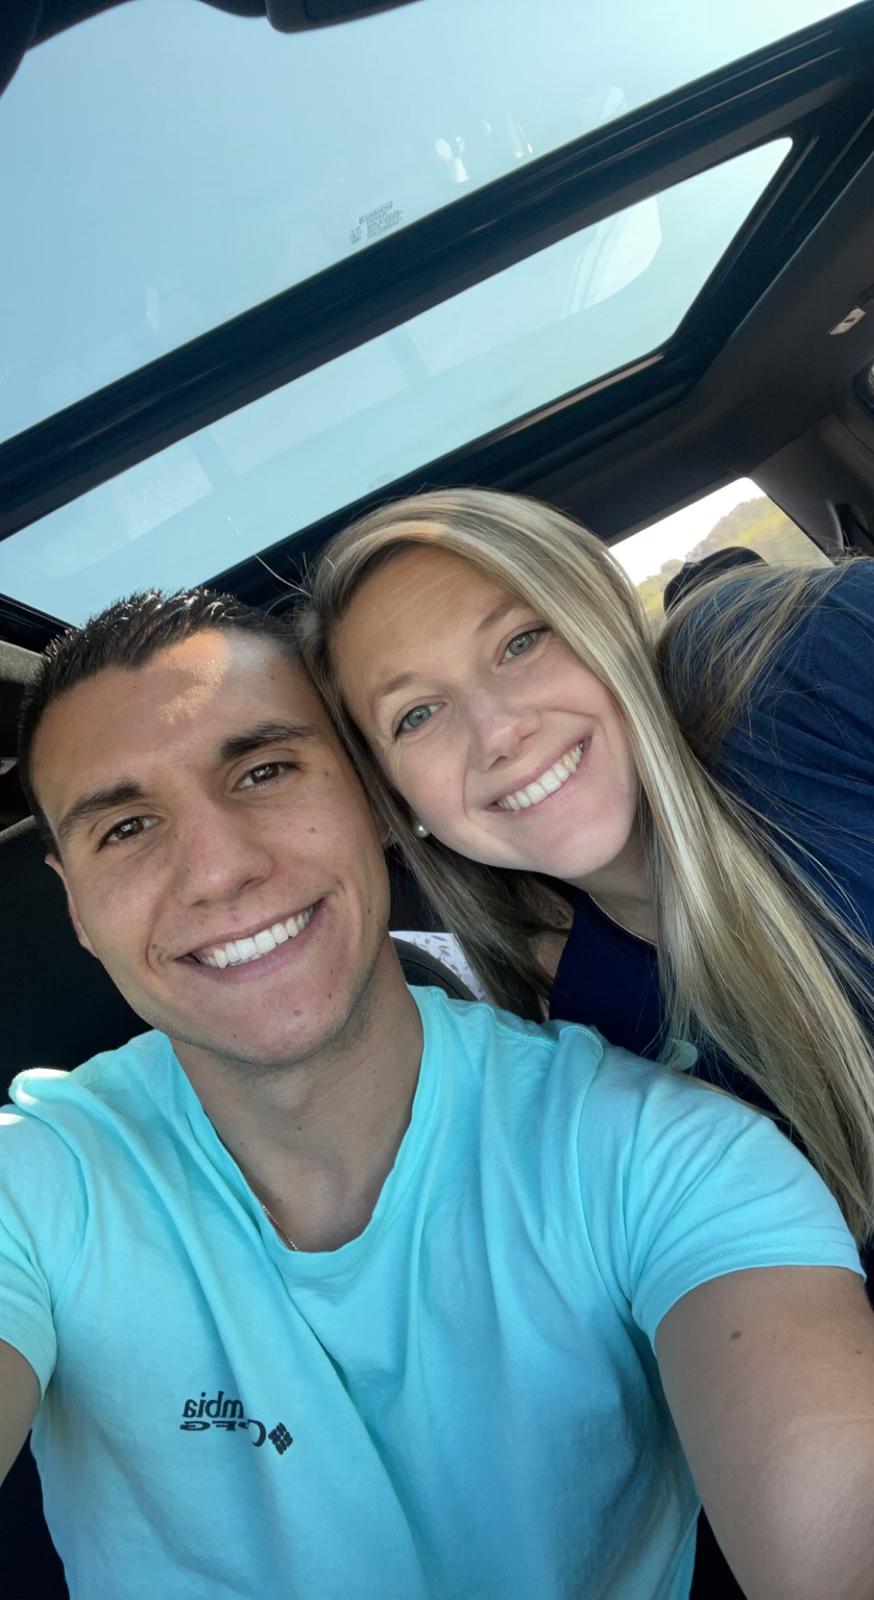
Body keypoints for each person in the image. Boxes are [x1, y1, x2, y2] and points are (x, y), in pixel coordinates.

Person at [2, 587, 874, 1600]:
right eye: (125, 828)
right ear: (75, 905)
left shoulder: (663, 1152)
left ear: (374, 801)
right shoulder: (36, 1178)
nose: (217, 870)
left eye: (265, 770)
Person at [297, 487, 874, 1251]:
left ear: (601, 619)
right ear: (399, 803)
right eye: (417, 715)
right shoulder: (592, 1042)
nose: (499, 733)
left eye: (520, 642)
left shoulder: (794, 663)